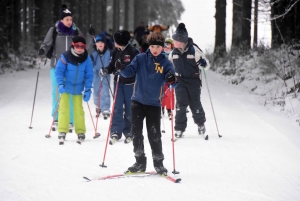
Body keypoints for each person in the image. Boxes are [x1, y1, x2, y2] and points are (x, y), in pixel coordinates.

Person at [119, 32, 177, 174]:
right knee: (136, 133)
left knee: (154, 134)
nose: (155, 49)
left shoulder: (166, 63)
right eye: (152, 46)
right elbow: (128, 72)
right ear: (149, 47)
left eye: (158, 46)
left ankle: (158, 163)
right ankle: (140, 162)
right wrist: (121, 68)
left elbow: (173, 84)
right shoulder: (140, 58)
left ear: (162, 47)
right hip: (137, 102)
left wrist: (171, 79)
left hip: (154, 104)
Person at [38, 5, 83, 132]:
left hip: (73, 67)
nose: (70, 22)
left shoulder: (76, 31)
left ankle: (70, 120)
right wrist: (42, 50)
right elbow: (46, 44)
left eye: (71, 19)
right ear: (62, 20)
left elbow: (83, 45)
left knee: (71, 92)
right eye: (67, 19)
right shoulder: (54, 30)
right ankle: (57, 118)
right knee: (57, 92)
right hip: (57, 66)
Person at [169, 23, 209, 138]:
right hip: (180, 80)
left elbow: (205, 63)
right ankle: (179, 129)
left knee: (195, 104)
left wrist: (203, 63)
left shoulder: (194, 49)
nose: (174, 42)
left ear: (182, 40)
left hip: (193, 80)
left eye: (175, 40)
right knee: (181, 105)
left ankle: (200, 124)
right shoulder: (174, 52)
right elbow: (169, 66)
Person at [101, 30, 139, 144]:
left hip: (130, 84)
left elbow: (137, 68)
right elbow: (112, 65)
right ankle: (115, 131)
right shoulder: (115, 51)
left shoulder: (133, 51)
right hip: (118, 83)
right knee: (117, 107)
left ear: (120, 41)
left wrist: (125, 69)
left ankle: (129, 131)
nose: (114, 42)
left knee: (129, 108)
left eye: (115, 40)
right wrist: (106, 70)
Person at [55, 36, 93, 143]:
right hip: (66, 87)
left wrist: (88, 89)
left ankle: (80, 131)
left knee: (79, 111)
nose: (80, 48)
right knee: (64, 109)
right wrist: (60, 84)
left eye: (82, 46)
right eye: (77, 46)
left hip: (78, 89)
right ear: (73, 45)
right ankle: (62, 130)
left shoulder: (86, 58)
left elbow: (89, 75)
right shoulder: (65, 56)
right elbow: (59, 71)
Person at [90, 34, 112, 120]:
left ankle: (105, 108)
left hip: (106, 74)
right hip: (96, 74)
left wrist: (107, 69)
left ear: (104, 44)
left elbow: (111, 62)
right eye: (98, 42)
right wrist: (96, 69)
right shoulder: (94, 53)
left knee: (105, 90)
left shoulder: (109, 52)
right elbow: (91, 63)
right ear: (95, 44)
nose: (100, 44)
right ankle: (98, 105)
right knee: (96, 90)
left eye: (102, 42)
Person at [161, 38, 175, 120]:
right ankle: (161, 108)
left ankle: (169, 110)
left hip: (170, 76)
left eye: (169, 45)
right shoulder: (161, 53)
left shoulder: (174, 54)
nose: (167, 47)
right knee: (161, 92)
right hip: (161, 75)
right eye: (165, 45)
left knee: (170, 92)